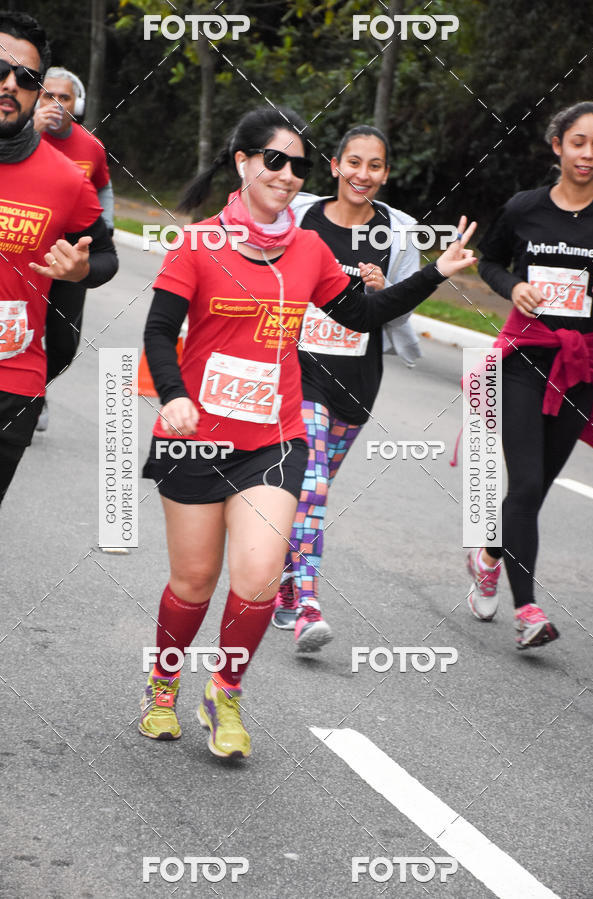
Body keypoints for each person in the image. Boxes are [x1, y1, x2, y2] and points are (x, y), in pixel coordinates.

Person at [139, 105, 477, 756]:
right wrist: (175, 396)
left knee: (260, 578)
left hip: (275, 439)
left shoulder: (307, 250)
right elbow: (158, 331)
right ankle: (163, 682)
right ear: (243, 162)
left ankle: (225, 692)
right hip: (197, 437)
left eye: (298, 166)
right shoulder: (199, 244)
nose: (288, 175)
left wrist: (434, 273)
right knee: (193, 582)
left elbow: (363, 314)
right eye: (275, 160)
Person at [270, 124, 424, 651]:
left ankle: (286, 581)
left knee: (311, 492)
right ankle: (309, 604)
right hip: (301, 370)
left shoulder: (397, 233)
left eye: (374, 165)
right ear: (335, 166)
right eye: (353, 162)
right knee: (311, 484)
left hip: (358, 378)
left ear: (385, 173)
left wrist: (385, 291)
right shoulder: (301, 217)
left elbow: (402, 308)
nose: (363, 174)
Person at [466, 101, 593, 649]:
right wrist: (513, 286)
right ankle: (528, 611)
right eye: (579, 142)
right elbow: (488, 260)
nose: (588, 154)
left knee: (536, 488)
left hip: (582, 366)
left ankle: (488, 555)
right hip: (526, 359)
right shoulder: (524, 208)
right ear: (557, 146)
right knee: (523, 483)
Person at [0, 10, 118, 505]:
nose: (10, 84)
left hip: (12, 382)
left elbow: (106, 256)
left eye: (26, 78)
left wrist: (82, 269)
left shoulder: (67, 179)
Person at [33, 66, 115, 431]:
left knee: (63, 345)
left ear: (76, 105)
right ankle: (22, 398)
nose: (55, 104)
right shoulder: (17, 136)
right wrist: (31, 132)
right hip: (24, 248)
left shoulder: (91, 146)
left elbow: (103, 187)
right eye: (46, 95)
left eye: (63, 97)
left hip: (70, 256)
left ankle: (35, 391)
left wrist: (105, 228)